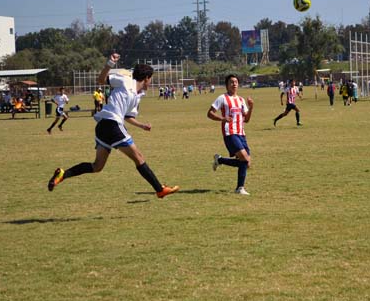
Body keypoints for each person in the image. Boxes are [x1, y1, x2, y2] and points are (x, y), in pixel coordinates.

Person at [47, 53, 179, 199]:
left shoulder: (137, 96)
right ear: (147, 78)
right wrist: (109, 63)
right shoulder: (126, 81)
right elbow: (101, 80)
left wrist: (142, 126)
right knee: (139, 158)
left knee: (97, 166)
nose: (150, 83)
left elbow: (128, 117)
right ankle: (160, 189)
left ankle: (63, 174)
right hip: (112, 123)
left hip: (103, 126)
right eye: (151, 79)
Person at [207, 74, 254, 195]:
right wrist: (222, 118)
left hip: (241, 133)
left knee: (246, 163)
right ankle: (240, 188)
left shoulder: (241, 100)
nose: (234, 84)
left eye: (236, 82)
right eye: (231, 82)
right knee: (244, 158)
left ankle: (220, 160)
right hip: (230, 133)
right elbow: (210, 113)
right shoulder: (222, 98)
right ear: (227, 85)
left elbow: (247, 120)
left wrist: (251, 107)